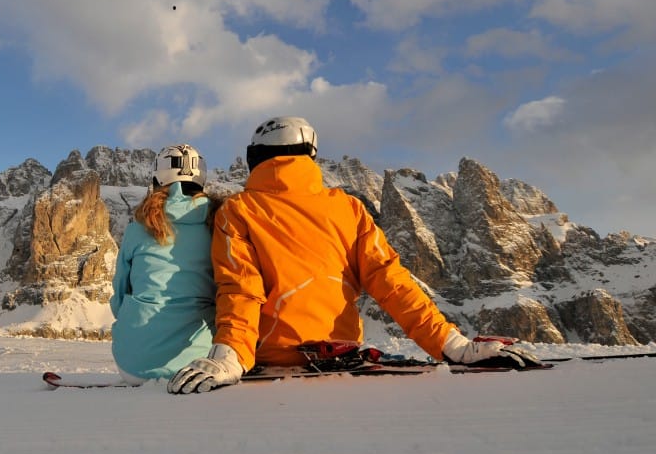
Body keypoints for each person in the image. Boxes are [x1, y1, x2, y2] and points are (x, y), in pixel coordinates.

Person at [168, 116, 539, 394]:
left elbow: (240, 291)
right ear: (309, 156)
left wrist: (230, 355)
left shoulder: (238, 210)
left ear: (254, 158)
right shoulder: (348, 208)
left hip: (272, 359)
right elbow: (391, 281)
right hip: (338, 354)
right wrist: (450, 344)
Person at [110, 144, 218, 383]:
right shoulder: (218, 227)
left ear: (158, 179)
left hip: (132, 365)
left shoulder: (137, 228)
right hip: (200, 365)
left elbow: (118, 299)